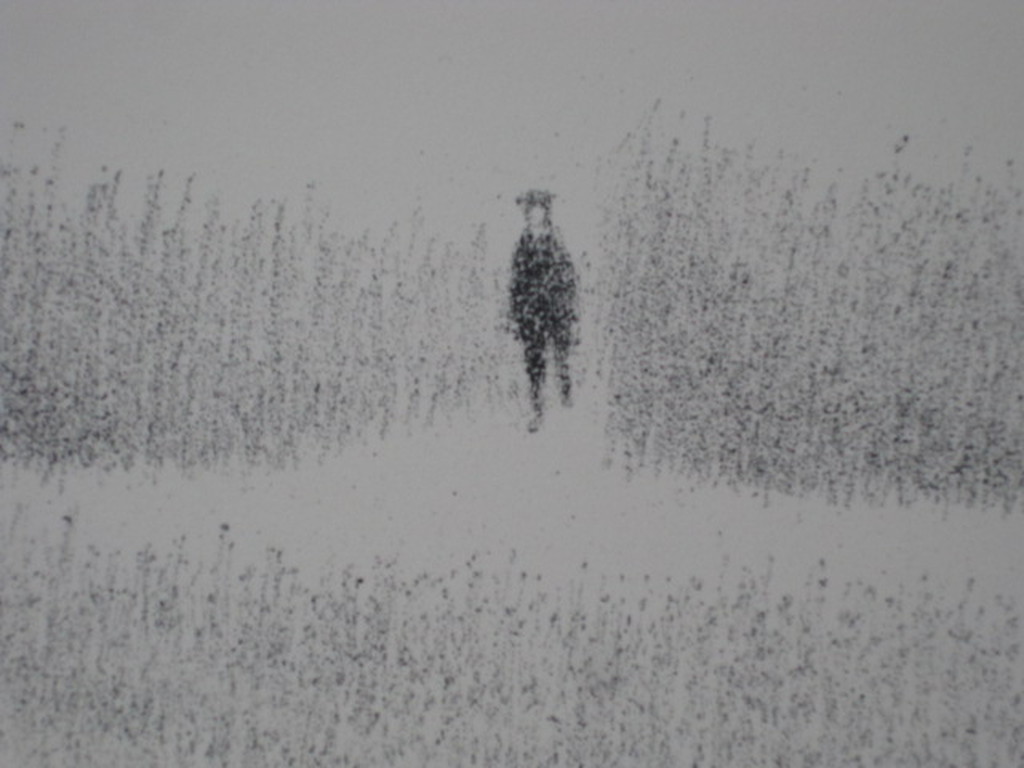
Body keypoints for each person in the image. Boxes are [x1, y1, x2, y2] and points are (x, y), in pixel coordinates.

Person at [507, 190, 580, 432]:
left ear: (546, 212)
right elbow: (516, 281)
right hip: (531, 313)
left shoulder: (556, 241)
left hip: (554, 310)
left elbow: (568, 277)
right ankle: (537, 410)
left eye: (538, 209)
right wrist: (515, 313)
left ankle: (567, 396)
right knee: (534, 362)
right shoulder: (523, 243)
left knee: (561, 356)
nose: (533, 214)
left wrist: (568, 309)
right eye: (530, 210)